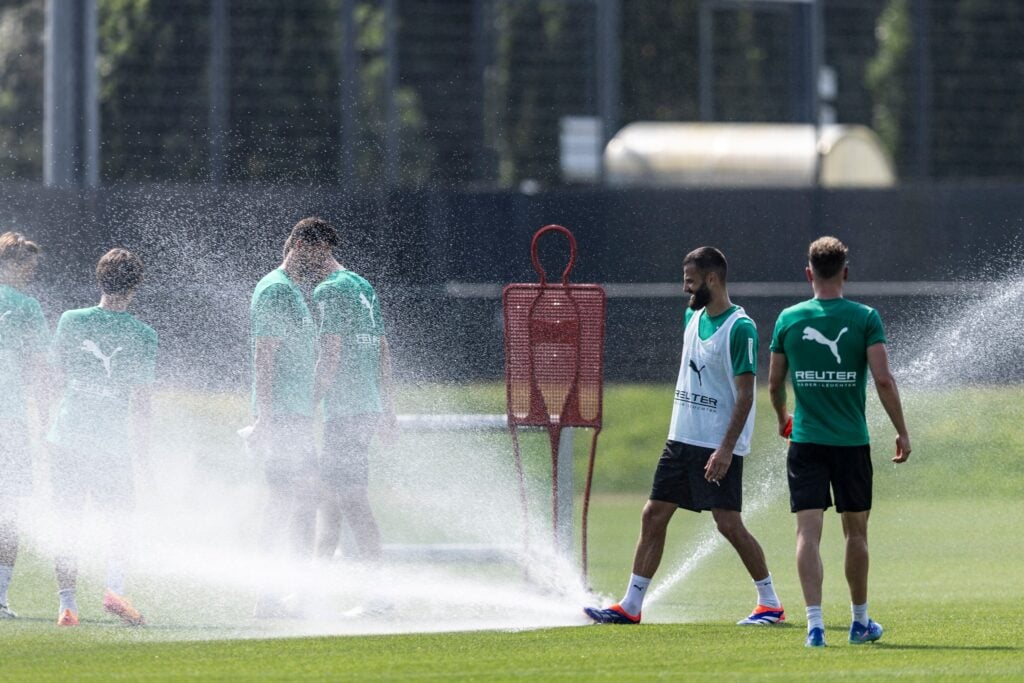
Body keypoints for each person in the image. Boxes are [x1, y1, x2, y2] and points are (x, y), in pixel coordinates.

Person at [585, 247, 784, 626]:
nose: (685, 288)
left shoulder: (740, 328)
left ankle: (770, 602)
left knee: (728, 524)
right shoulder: (692, 316)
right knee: (653, 514)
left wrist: (726, 449)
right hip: (680, 440)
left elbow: (745, 394)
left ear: (712, 279)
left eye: (690, 281)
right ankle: (631, 605)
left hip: (716, 445)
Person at [768, 236, 910, 648]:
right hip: (851, 443)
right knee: (856, 535)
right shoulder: (865, 317)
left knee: (806, 534)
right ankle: (860, 623)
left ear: (809, 272)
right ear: (845, 271)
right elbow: (883, 379)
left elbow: (775, 383)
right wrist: (901, 429)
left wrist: (782, 418)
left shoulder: (788, 319)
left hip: (806, 442)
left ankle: (815, 626)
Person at [48, 248, 158, 627]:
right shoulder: (144, 335)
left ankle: (68, 606)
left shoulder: (71, 320)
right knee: (121, 523)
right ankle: (115, 591)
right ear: (137, 285)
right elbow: (143, 406)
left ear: (99, 279)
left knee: (67, 522)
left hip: (66, 438)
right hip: (112, 447)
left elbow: (55, 377)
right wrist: (145, 460)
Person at [248, 217, 327, 617]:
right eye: (316, 251)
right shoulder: (276, 290)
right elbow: (265, 356)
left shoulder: (296, 291)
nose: (319, 260)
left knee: (302, 501)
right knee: (283, 503)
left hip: (297, 415)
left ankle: (294, 592)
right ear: (297, 243)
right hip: (282, 417)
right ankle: (271, 594)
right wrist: (265, 418)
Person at [310, 235, 396, 564]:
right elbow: (382, 351)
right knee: (329, 501)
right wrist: (387, 411)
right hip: (365, 411)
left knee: (353, 504)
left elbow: (329, 356)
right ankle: (313, 590)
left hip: (345, 415)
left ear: (308, 248)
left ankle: (379, 596)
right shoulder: (362, 285)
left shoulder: (328, 290)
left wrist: (307, 406)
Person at [0, 232, 50, 620]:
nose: (32, 274)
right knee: (9, 508)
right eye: (29, 267)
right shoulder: (28, 308)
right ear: (13, 265)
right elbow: (39, 372)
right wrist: (48, 420)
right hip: (10, 419)